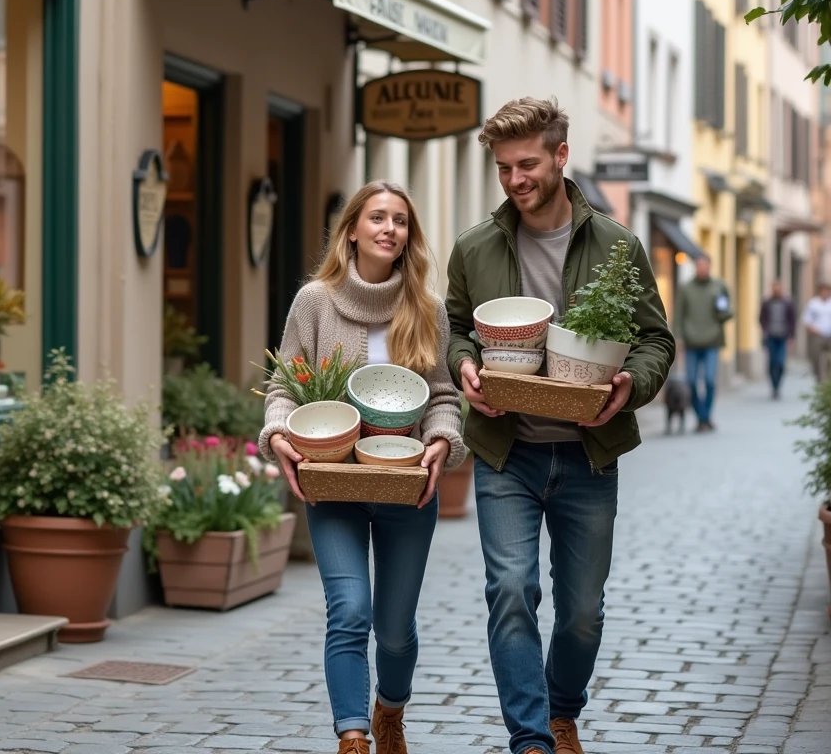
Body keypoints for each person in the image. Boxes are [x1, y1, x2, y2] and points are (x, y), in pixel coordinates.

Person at [444, 97, 675, 754]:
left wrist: (630, 385)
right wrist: (464, 368)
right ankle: (531, 740)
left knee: (580, 615)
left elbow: (654, 341)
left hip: (587, 455)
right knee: (512, 591)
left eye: (527, 164)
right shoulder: (475, 248)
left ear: (560, 156)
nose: (516, 180)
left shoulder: (616, 245)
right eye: (504, 168)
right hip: (506, 451)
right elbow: (456, 331)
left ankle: (562, 708)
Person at [259, 180, 466, 754]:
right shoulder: (315, 302)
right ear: (352, 229)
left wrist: (442, 441)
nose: (389, 229)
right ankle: (352, 736)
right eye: (377, 217)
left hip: (407, 488)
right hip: (335, 484)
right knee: (349, 612)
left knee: (394, 632)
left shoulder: (425, 309)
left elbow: (444, 396)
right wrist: (278, 431)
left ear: (408, 236)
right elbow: (285, 385)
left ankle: (389, 712)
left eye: (399, 220)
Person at [676, 255, 733, 432]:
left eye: (704, 265)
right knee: (691, 381)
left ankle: (705, 417)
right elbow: (678, 316)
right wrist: (678, 338)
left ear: (710, 267)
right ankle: (701, 417)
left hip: (712, 341)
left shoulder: (719, 287)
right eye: (698, 265)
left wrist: (721, 311)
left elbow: (727, 313)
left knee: (709, 380)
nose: (701, 268)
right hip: (692, 342)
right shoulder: (686, 288)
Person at [758, 281, 795, 399]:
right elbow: (761, 318)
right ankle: (773, 386)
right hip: (771, 336)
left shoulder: (787, 303)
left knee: (780, 362)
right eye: (775, 288)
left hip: (783, 336)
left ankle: (778, 385)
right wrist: (765, 331)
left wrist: (792, 336)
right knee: (772, 362)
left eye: (779, 288)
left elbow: (792, 320)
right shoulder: (767, 303)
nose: (777, 290)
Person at [802, 283, 831, 383]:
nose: (825, 293)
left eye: (827, 290)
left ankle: (828, 378)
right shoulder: (813, 303)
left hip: (829, 335)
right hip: (817, 335)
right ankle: (819, 378)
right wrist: (812, 329)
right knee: (816, 358)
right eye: (823, 290)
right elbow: (806, 320)